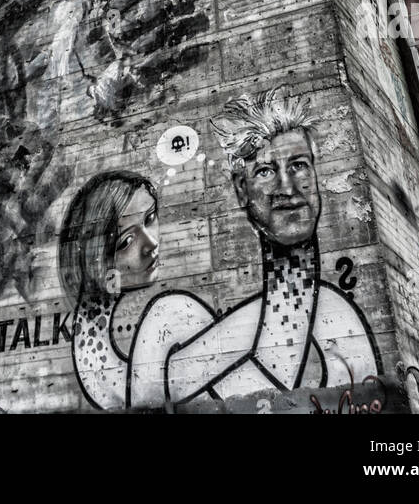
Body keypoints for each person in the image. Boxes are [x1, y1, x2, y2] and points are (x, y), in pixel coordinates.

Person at [127, 89, 380, 409]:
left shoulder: (343, 326)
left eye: (299, 165)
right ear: (241, 189)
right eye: (266, 171)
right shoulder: (171, 326)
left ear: (316, 173)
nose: (287, 189)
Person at [59, 170, 167, 409]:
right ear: (96, 260)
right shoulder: (96, 328)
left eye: (150, 218)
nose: (151, 244)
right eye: (126, 241)